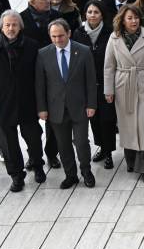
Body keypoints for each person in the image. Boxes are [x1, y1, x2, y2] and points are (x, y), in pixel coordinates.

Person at [0, 10, 44, 191]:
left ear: (20, 27)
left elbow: (38, 76)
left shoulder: (32, 46)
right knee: (8, 143)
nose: (11, 28)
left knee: (33, 137)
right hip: (3, 103)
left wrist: (41, 102)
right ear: (1, 27)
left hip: (27, 101)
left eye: (14, 24)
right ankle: (16, 175)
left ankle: (37, 165)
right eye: (7, 25)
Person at [104, 3, 144, 182]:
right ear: (122, 20)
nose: (134, 21)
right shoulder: (114, 38)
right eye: (129, 18)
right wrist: (109, 90)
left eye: (136, 17)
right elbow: (109, 66)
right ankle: (131, 161)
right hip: (123, 84)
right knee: (127, 125)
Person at [35, 18, 97, 189]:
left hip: (79, 107)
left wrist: (91, 104)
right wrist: (41, 109)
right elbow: (40, 84)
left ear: (69, 33)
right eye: (53, 36)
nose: (57, 40)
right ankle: (71, 175)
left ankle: (86, 171)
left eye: (61, 36)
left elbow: (91, 81)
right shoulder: (43, 54)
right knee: (63, 145)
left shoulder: (83, 51)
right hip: (56, 109)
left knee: (82, 142)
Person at [72, 0, 117, 170]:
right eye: (89, 12)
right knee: (94, 119)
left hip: (106, 82)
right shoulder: (79, 33)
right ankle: (102, 146)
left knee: (107, 119)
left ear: (102, 15)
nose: (92, 15)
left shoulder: (110, 33)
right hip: (87, 85)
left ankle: (109, 152)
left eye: (96, 12)